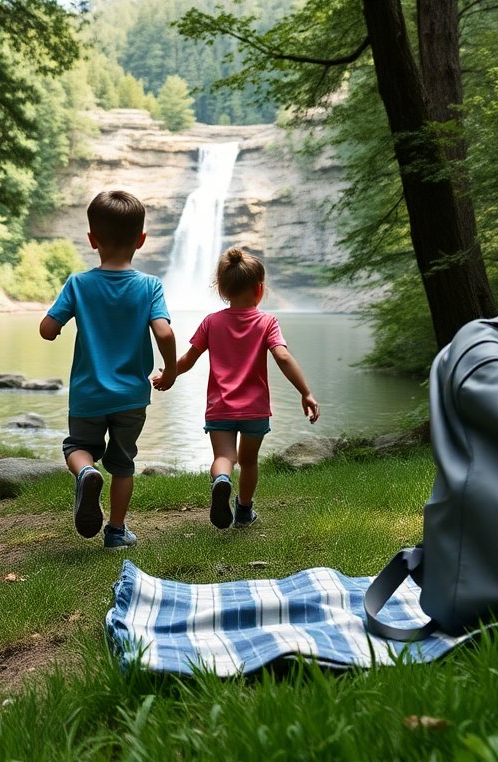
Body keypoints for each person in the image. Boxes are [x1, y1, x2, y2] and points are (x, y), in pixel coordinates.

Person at [40, 190, 177, 550]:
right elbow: (164, 331)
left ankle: (85, 472)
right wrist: (172, 369)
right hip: (131, 395)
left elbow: (47, 328)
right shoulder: (150, 286)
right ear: (142, 240)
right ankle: (116, 532)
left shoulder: (78, 284)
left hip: (87, 394)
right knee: (123, 463)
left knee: (78, 445)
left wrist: (54, 327)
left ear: (92, 239)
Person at [152, 247, 319, 529]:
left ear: (223, 290)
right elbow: (282, 356)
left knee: (224, 457)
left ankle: (221, 480)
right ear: (259, 289)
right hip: (255, 409)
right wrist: (305, 392)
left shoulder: (211, 322)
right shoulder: (267, 322)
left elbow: (188, 360)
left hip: (220, 408)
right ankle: (243, 511)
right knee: (249, 461)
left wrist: (169, 374)